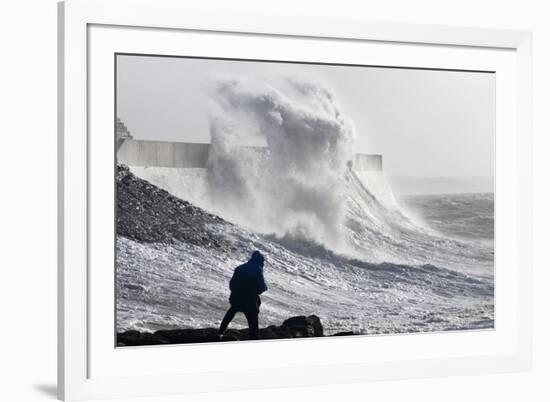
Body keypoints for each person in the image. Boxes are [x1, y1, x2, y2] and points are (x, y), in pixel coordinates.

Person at [219, 251, 267, 340]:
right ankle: (254, 337)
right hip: (250, 301)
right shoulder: (258, 270)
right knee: (253, 315)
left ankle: (221, 331)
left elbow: (232, 285)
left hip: (235, 299)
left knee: (232, 310)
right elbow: (262, 288)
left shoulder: (239, 268)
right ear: (260, 261)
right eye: (263, 262)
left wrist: (238, 292)